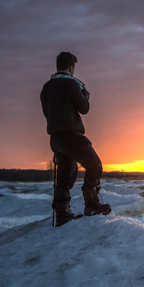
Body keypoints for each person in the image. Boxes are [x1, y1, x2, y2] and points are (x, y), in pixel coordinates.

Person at [41, 51, 111, 226]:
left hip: (56, 139)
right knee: (95, 165)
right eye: (74, 67)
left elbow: (46, 112)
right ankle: (92, 205)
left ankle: (62, 215)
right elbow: (84, 108)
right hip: (72, 135)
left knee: (65, 177)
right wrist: (85, 96)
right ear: (71, 67)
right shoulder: (71, 84)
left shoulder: (46, 87)